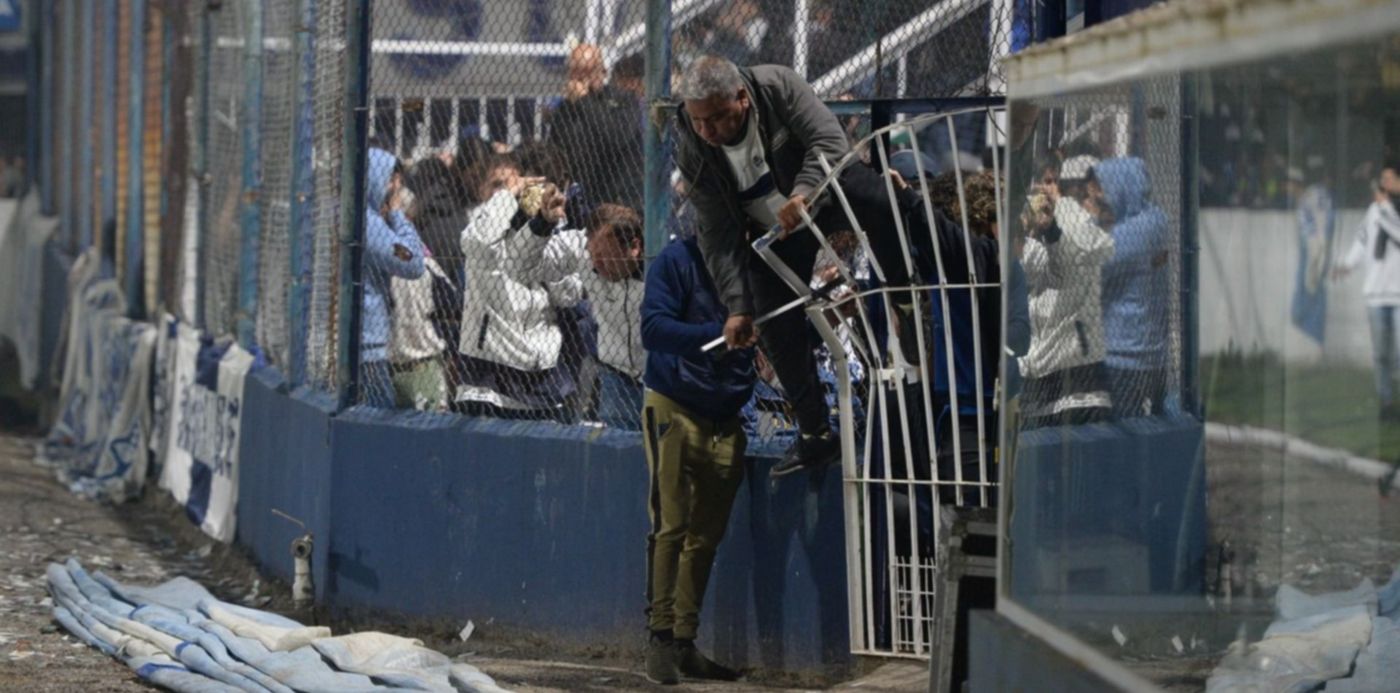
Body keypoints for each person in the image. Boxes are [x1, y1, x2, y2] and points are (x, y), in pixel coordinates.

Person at [674, 56, 963, 478]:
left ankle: (910, 286)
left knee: (885, 200)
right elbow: (715, 232)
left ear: (742, 98)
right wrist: (737, 307)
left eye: (716, 118)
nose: (708, 131)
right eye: (699, 120)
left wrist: (805, 192)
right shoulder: (693, 142)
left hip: (823, 191)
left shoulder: (777, 86)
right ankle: (815, 434)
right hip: (774, 230)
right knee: (771, 317)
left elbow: (829, 142)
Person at [638, 233, 755, 685]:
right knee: (671, 523)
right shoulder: (677, 261)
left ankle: (685, 641)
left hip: (726, 412)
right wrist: (718, 334)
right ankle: (660, 639)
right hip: (676, 402)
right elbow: (653, 330)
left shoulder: (751, 262)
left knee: (706, 534)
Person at [455, 153, 578, 419]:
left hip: (539, 377)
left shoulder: (552, 233)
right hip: (488, 378)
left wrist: (546, 228)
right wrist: (507, 195)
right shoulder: (482, 227)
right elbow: (480, 243)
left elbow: (568, 294)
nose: (514, 190)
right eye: (498, 185)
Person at [507, 202, 649, 429]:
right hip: (617, 379)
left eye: (605, 256)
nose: (596, 264)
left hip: (662, 381)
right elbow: (518, 265)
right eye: (592, 255)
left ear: (634, 247)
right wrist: (542, 223)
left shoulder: (664, 259)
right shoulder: (582, 246)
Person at [1018, 155, 1115, 427]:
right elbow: (1025, 271)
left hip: (1077, 378)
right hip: (1037, 373)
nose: (1047, 190)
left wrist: (1051, 229)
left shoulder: (1078, 226)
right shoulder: (1027, 228)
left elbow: (1065, 266)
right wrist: (1025, 231)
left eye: (1055, 182)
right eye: (1043, 181)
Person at [1096, 157, 1172, 418]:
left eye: (1106, 190)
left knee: (1125, 429)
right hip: (1148, 352)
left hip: (1126, 352)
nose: (1101, 200)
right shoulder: (1154, 220)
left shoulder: (1142, 228)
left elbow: (1093, 261)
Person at [546, 44, 645, 215]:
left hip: (619, 197)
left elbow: (616, 137)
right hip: (581, 199)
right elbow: (555, 150)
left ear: (602, 71)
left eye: (589, 71)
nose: (583, 79)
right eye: (577, 72)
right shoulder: (566, 109)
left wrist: (584, 100)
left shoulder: (623, 100)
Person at [362, 148, 427, 408]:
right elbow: (413, 262)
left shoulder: (362, 219)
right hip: (367, 349)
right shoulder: (368, 224)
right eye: (393, 181)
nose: (396, 189)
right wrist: (398, 215)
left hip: (365, 341)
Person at [1336, 163, 1400, 420]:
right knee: (1381, 354)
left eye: (1388, 178)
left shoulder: (1386, 211)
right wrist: (1346, 264)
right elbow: (1361, 241)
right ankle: (1386, 402)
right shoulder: (1375, 211)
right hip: (1375, 293)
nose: (1383, 184)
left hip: (1398, 295)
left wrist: (1385, 207)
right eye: (1381, 179)